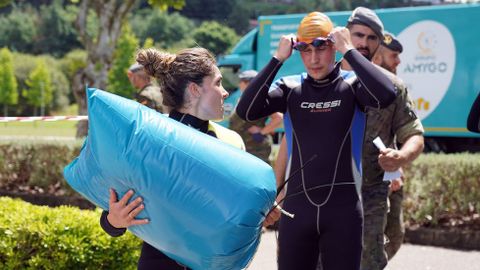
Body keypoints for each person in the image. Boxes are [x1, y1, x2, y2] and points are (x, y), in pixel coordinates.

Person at [236, 11, 396, 270]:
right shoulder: (290, 89)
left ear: (334, 45)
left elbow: (387, 94)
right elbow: (246, 110)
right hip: (297, 213)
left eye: (321, 48)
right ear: (297, 50)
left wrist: (349, 51)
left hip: (343, 213)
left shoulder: (353, 87)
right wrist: (277, 59)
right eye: (306, 50)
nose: (313, 58)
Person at [99, 47, 246, 270]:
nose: (225, 92)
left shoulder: (224, 141)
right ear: (195, 90)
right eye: (217, 83)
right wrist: (115, 220)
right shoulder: (152, 143)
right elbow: (109, 220)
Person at [342, 9, 425, 270]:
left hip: (371, 194)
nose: (363, 43)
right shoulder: (322, 80)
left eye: (371, 38)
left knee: (369, 261)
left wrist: (401, 156)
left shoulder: (392, 87)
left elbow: (413, 133)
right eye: (358, 35)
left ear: (378, 42)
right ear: (345, 35)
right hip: (327, 192)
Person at [229, 70, 283, 163]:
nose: (239, 84)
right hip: (243, 146)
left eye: (241, 81)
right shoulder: (244, 97)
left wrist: (261, 132)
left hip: (256, 149)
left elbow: (278, 118)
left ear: (248, 83)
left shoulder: (260, 99)